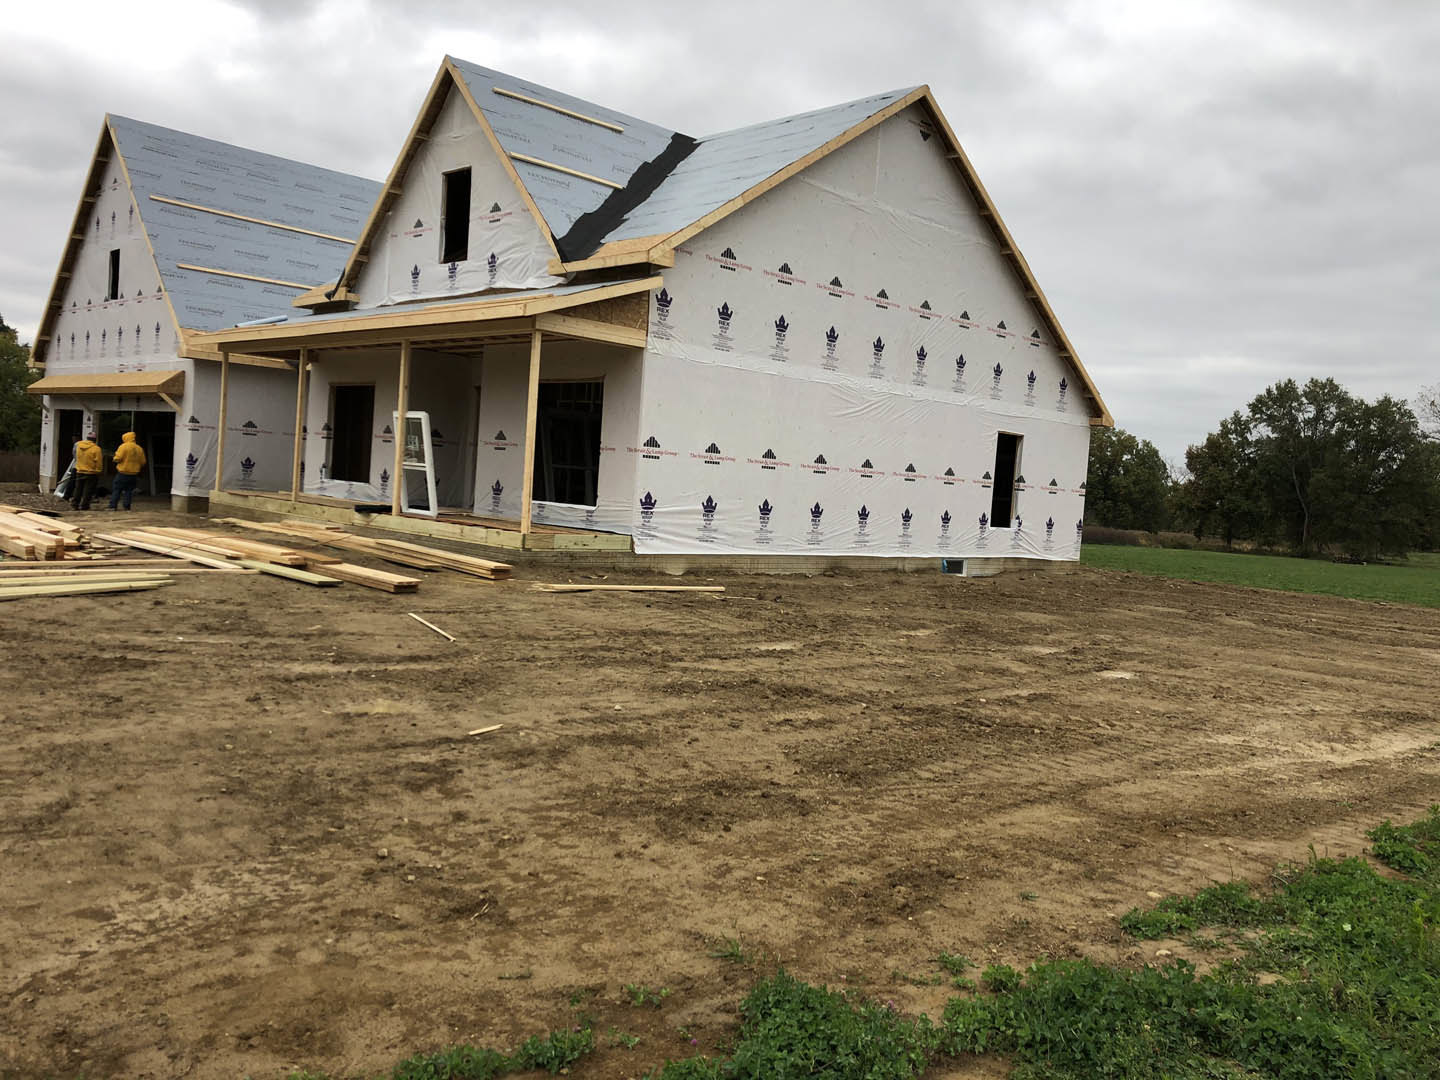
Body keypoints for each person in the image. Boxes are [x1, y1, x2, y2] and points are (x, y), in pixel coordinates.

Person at [109, 432, 147, 510]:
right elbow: (143, 462)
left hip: (123, 472)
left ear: (125, 438)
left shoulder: (123, 447)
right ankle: (126, 506)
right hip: (134, 474)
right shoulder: (139, 448)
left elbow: (117, 458)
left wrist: (115, 459)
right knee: (129, 491)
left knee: (117, 489)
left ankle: (113, 506)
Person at [69, 433, 103, 511]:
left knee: (78, 489)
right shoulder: (96, 449)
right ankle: (84, 506)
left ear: (87, 438)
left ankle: (75, 504)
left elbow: (75, 456)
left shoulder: (79, 446)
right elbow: (98, 462)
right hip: (91, 472)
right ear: (95, 440)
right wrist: (99, 470)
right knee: (88, 490)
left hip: (80, 470)